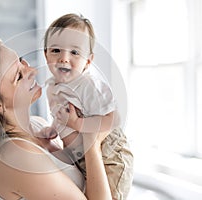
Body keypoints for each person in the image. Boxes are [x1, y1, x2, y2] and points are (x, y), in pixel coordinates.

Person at [0, 38, 115, 200]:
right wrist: (93, 143)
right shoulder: (13, 157)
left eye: (22, 61)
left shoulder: (38, 125)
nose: (32, 70)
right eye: (18, 76)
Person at [43, 13, 134, 200]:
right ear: (45, 54)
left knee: (110, 195)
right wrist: (53, 128)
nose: (64, 58)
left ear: (88, 61)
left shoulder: (90, 86)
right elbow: (60, 115)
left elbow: (112, 119)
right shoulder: (51, 87)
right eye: (56, 50)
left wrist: (77, 124)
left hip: (110, 155)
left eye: (74, 52)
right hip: (81, 156)